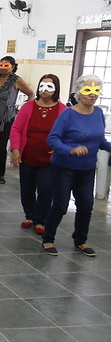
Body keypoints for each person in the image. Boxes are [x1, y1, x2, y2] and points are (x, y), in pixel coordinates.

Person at [41, 75, 109, 257]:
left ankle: (80, 240)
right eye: (88, 90)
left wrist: (109, 146)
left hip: (87, 169)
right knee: (61, 205)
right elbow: (52, 139)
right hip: (64, 167)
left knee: (86, 205)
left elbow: (100, 141)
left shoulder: (98, 113)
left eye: (96, 90)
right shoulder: (68, 114)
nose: (92, 94)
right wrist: (70, 150)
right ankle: (48, 238)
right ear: (79, 92)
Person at [10, 74, 67, 235]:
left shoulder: (63, 110)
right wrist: (15, 149)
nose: (45, 90)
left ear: (56, 89)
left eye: (49, 86)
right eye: (42, 85)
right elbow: (16, 129)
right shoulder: (28, 107)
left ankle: (41, 219)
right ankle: (30, 215)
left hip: (50, 158)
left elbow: (68, 132)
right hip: (28, 155)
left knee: (46, 189)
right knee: (27, 188)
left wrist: (60, 147)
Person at [0, 55, 33, 184]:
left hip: (6, 118)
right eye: (1, 65)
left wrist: (23, 109)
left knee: (1, 146)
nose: (3, 68)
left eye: (6, 66)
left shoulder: (17, 80)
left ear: (13, 67)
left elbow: (31, 94)